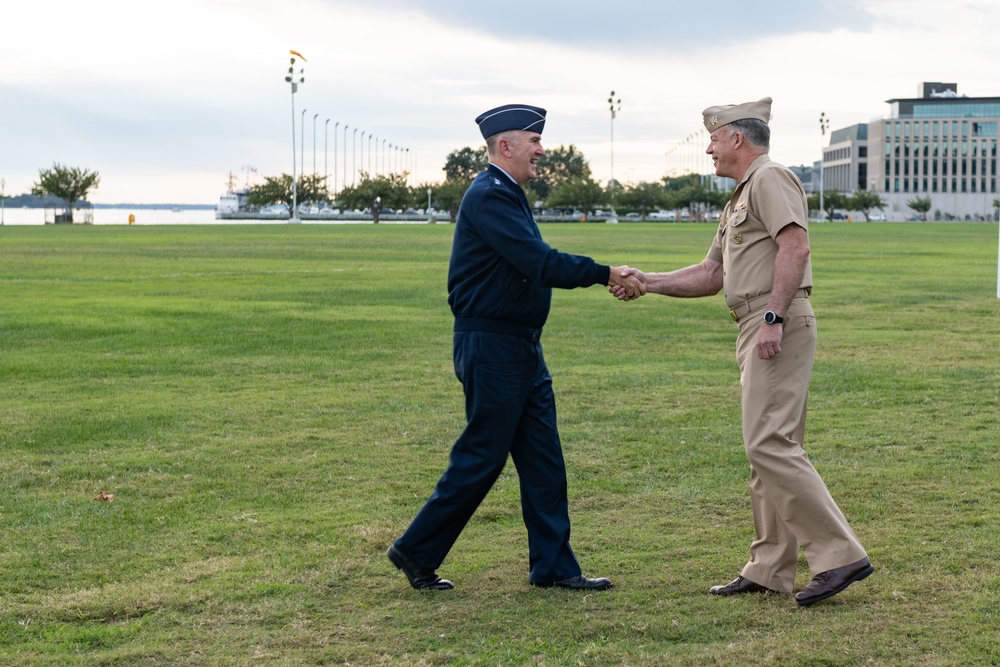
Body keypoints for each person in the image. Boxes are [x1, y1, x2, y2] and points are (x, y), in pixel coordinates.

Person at [612, 97, 873, 606]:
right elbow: (712, 274)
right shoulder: (739, 197)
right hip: (755, 320)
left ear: (736, 138)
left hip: (775, 319)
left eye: (713, 137)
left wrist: (773, 318)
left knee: (769, 445)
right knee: (767, 451)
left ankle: (839, 555)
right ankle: (770, 568)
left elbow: (795, 247)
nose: (708, 148)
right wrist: (648, 281)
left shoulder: (771, 179)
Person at [388, 103, 643, 591]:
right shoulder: (489, 195)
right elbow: (538, 261)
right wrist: (605, 273)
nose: (542, 151)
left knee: (543, 458)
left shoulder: (507, 193)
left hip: (521, 346)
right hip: (493, 347)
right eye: (534, 143)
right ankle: (414, 550)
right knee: (481, 456)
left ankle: (553, 566)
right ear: (505, 146)